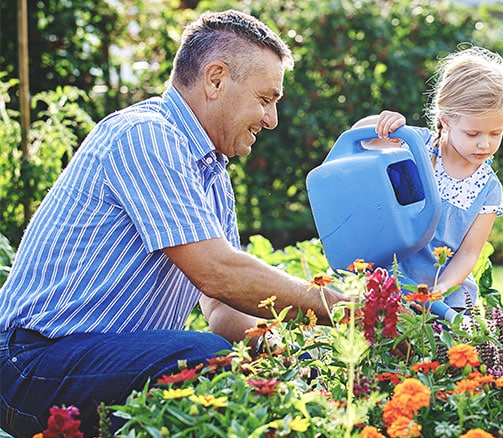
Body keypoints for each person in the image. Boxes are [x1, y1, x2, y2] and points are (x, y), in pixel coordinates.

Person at [0, 10, 349, 437]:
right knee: (203, 356)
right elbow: (216, 273)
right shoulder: (146, 135)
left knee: (226, 357)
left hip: (81, 362)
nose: (272, 119)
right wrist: (341, 307)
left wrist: (276, 347)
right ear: (216, 79)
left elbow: (221, 307)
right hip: (30, 365)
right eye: (266, 99)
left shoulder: (212, 175)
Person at [356, 46, 503, 314]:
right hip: (392, 285)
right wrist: (383, 122)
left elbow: (468, 253)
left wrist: (440, 288)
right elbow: (360, 141)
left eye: (495, 133)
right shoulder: (415, 146)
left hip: (446, 301)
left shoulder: (488, 189)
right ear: (445, 122)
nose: (485, 143)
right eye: (472, 133)